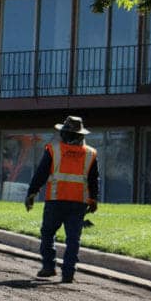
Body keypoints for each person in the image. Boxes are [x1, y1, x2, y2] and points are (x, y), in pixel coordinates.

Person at [24, 116, 99, 284]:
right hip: (78, 202)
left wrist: (31, 193)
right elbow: (94, 179)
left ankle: (49, 267)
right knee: (73, 238)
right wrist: (93, 199)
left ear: (64, 133)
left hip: (56, 200)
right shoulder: (90, 153)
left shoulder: (53, 150)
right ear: (81, 135)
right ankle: (68, 273)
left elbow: (41, 174)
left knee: (48, 233)